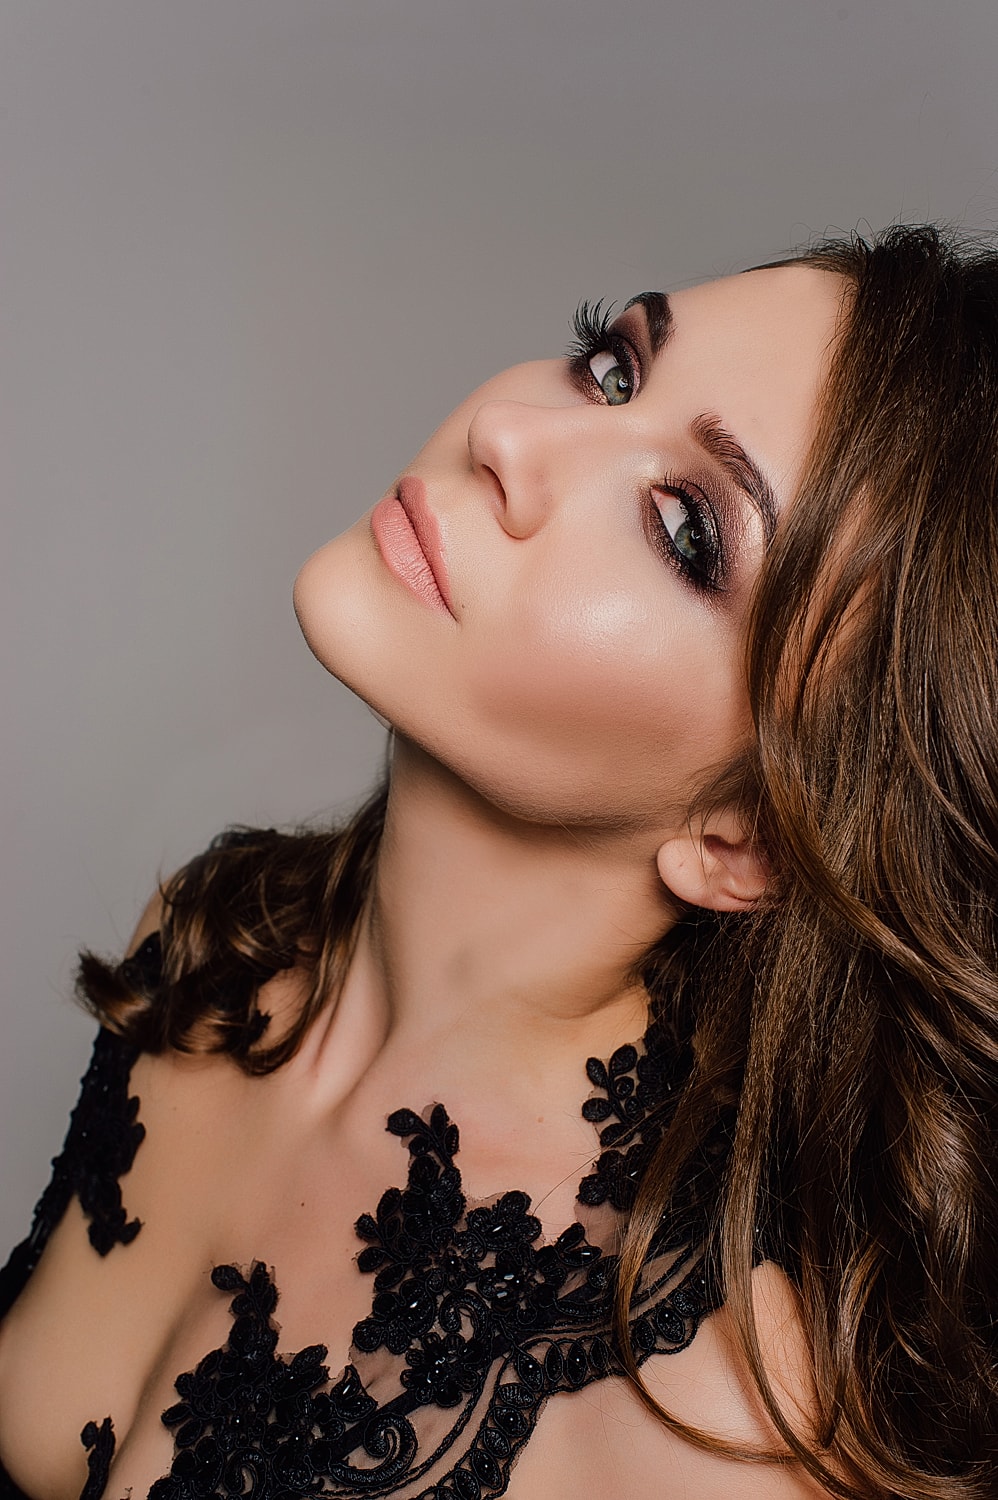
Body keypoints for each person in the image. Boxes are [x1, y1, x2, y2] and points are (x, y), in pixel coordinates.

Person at [0, 224, 995, 1500]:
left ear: (744, 838)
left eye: (684, 529)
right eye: (610, 368)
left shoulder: (719, 1424)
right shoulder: (215, 940)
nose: (510, 438)